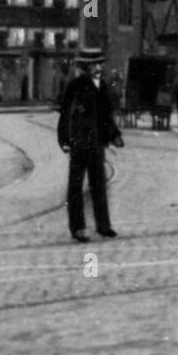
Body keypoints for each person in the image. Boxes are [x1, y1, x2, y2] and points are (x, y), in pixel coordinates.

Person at [57, 48, 124, 242]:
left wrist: (114, 135)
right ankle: (78, 228)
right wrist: (64, 140)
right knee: (76, 187)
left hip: (96, 143)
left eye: (100, 64)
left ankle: (103, 226)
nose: (99, 67)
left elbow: (106, 115)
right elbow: (65, 114)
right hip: (79, 143)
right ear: (87, 67)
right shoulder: (75, 86)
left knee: (99, 185)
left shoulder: (102, 86)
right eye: (95, 64)